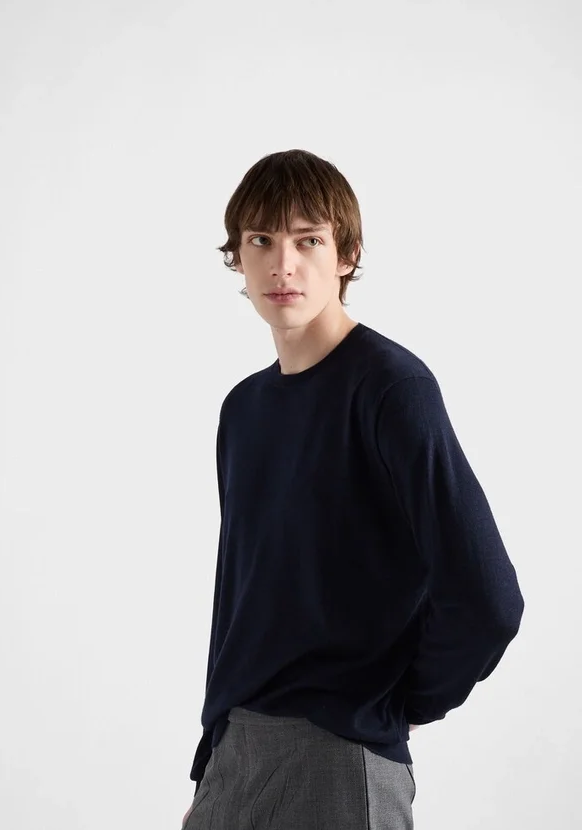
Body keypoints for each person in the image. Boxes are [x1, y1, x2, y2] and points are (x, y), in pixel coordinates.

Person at [181, 149, 525, 829]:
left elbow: (489, 597)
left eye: (308, 240)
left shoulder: (392, 389)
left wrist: (399, 706)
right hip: (234, 754)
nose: (283, 264)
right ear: (237, 258)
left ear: (347, 254)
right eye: (261, 240)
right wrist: (212, 763)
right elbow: (241, 596)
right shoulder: (243, 410)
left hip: (338, 758)